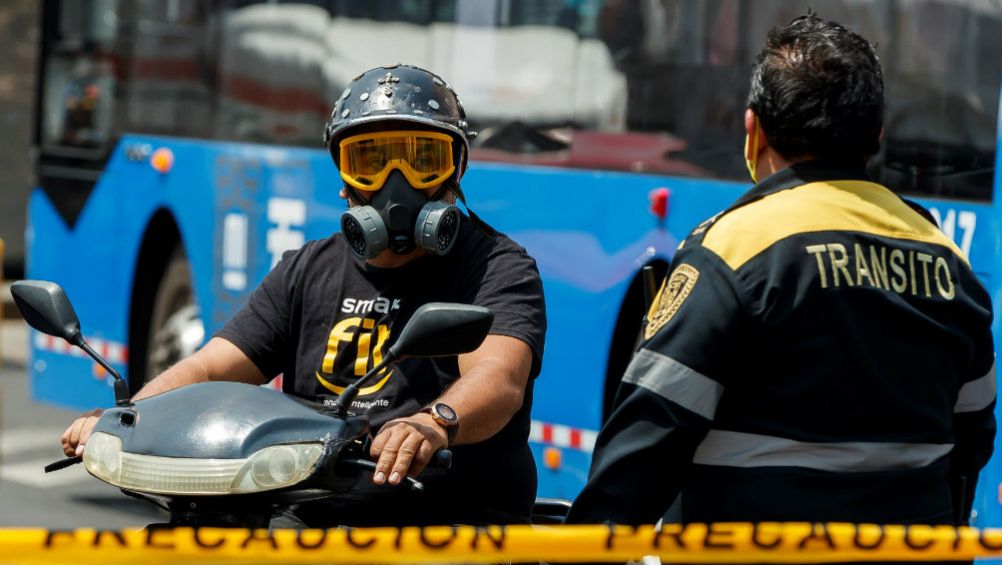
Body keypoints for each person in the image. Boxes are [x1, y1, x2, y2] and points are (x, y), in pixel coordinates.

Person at [61, 64, 547, 527]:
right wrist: (125, 418)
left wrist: (435, 423)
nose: (394, 184)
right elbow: (210, 368)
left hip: (451, 527)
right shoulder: (306, 268)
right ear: (344, 179)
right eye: (370, 161)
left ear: (455, 169)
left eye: (423, 160)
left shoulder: (496, 266)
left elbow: (498, 378)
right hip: (311, 520)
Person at [566, 13, 995, 526]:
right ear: (877, 136)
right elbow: (971, 439)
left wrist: (585, 550)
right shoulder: (947, 257)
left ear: (754, 130)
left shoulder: (733, 248)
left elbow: (649, 433)